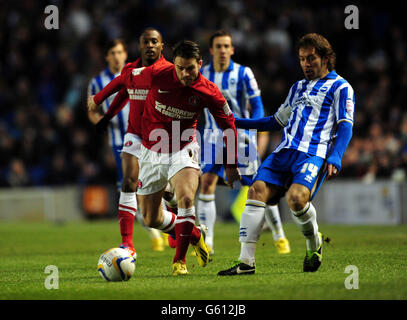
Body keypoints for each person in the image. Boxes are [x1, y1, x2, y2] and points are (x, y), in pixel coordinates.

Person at [89, 40, 241, 276]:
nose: (185, 74)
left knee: (186, 200)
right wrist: (98, 98)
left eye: (190, 68)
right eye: (180, 67)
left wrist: (231, 164)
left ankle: (179, 261)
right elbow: (125, 79)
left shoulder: (208, 91)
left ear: (200, 64)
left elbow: (229, 126)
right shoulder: (157, 73)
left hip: (184, 147)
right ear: (174, 64)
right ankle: (195, 234)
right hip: (151, 150)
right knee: (151, 218)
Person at [218, 33, 354, 275]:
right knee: (256, 191)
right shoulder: (297, 88)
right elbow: (275, 121)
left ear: (324, 57)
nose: (306, 64)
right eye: (302, 59)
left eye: (311, 58)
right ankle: (246, 263)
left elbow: (345, 125)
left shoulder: (341, 87)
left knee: (297, 199)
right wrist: (237, 122)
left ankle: (314, 244)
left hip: (313, 154)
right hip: (283, 153)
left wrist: (336, 156)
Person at [198, 30, 290, 255]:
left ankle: (279, 235)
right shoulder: (202, 73)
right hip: (212, 136)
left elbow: (256, 104)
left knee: (258, 186)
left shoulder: (243, 73)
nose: (222, 50)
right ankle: (208, 240)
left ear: (232, 49)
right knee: (207, 181)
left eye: (225, 46)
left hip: (241, 136)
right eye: (218, 46)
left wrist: (253, 127)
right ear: (211, 50)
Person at [88, 30, 169, 259]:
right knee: (129, 181)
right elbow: (123, 93)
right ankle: (127, 244)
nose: (150, 45)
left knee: (165, 191)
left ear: (161, 45)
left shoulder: (169, 72)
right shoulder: (130, 71)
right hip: (134, 133)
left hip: (161, 137)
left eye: (155, 41)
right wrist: (106, 117)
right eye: (146, 42)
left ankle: (174, 226)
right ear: (140, 45)